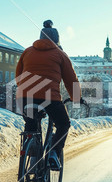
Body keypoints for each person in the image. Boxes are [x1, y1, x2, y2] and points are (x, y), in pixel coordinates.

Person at [16, 20, 81, 169]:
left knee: (31, 125)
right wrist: (76, 98)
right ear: (57, 40)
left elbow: (18, 76)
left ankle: (32, 159)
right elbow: (71, 80)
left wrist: (24, 92)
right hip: (50, 98)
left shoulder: (27, 52)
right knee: (63, 124)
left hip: (26, 96)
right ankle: (53, 153)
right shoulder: (60, 54)